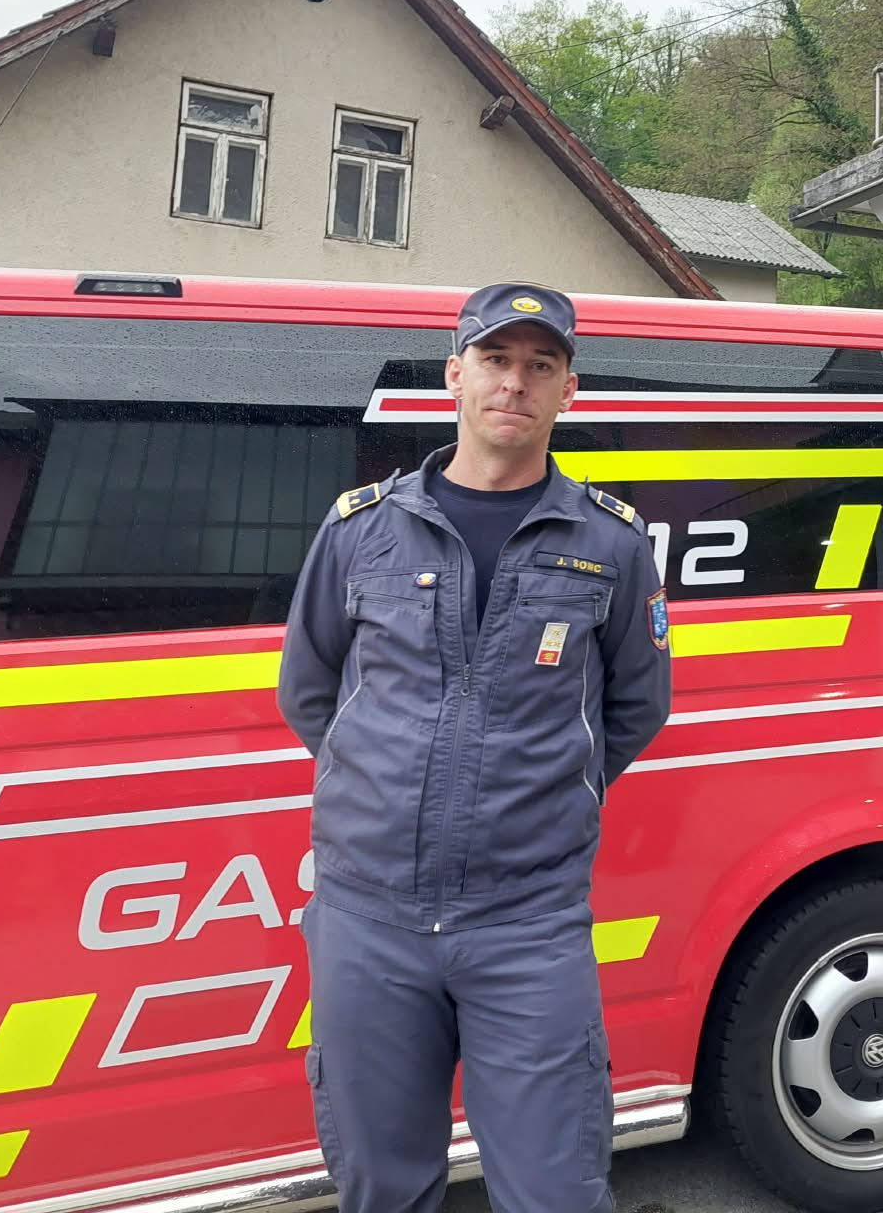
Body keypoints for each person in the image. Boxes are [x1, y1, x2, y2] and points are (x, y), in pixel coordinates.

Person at [279, 281, 673, 1213]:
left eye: (541, 365)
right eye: (496, 360)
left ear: (569, 389)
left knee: (555, 1191)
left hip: (527, 924)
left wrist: (540, 795)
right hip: (369, 915)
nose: (515, 383)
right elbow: (311, 691)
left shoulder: (610, 545)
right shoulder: (362, 529)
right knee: (382, 1187)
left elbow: (635, 707)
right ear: (456, 374)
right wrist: (387, 790)